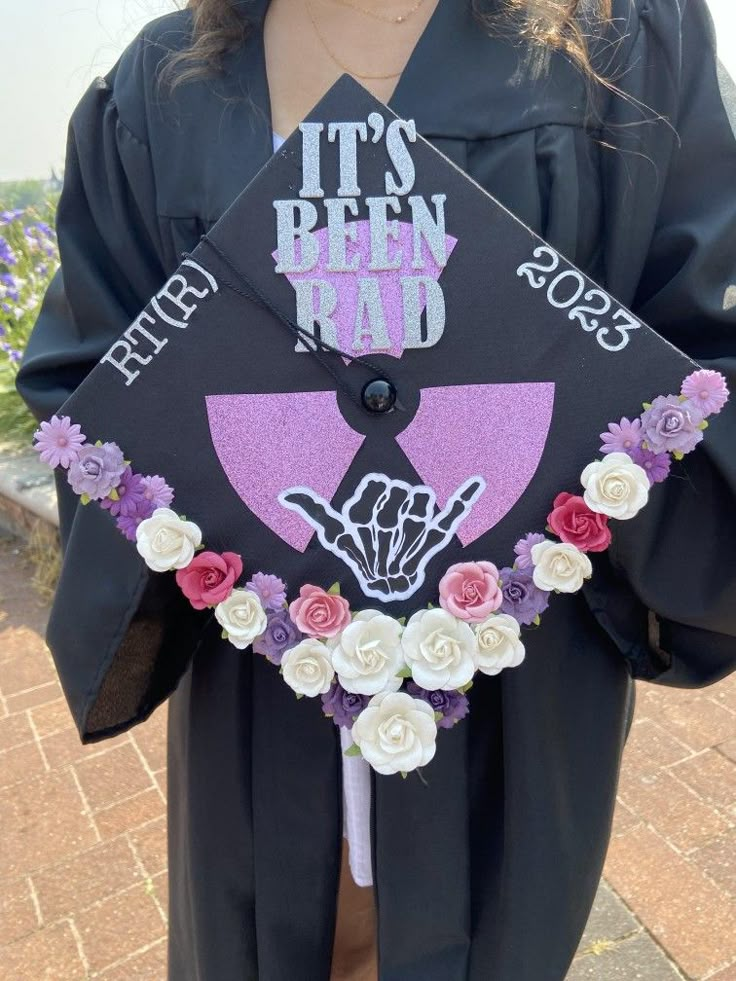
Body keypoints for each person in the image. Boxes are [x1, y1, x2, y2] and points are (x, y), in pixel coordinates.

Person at [15, 0, 736, 978]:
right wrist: (193, 530)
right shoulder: (159, 87)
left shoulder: (622, 39)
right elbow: (91, 396)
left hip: (510, 674)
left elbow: (705, 357)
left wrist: (582, 484)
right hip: (263, 684)